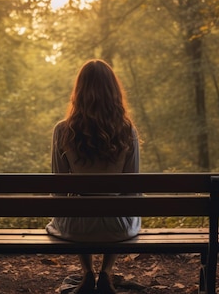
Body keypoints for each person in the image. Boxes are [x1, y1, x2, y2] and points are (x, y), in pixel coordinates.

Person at [46, 59, 141, 294]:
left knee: (77, 206)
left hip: (76, 227)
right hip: (117, 228)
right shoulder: (127, 131)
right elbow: (132, 188)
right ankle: (106, 273)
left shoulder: (63, 131)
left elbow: (59, 190)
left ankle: (88, 272)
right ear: (114, 92)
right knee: (121, 206)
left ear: (79, 91)